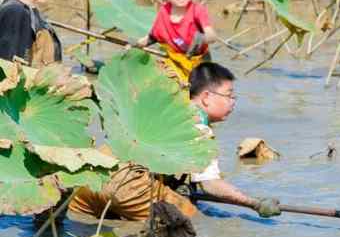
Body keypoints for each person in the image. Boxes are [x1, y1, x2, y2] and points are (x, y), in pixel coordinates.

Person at [69, 62, 281, 222]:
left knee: (78, 226)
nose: (233, 103)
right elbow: (210, 185)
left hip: (92, 176)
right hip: (129, 184)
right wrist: (254, 203)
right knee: (192, 222)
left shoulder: (164, 107)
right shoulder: (196, 127)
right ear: (206, 97)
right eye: (229, 95)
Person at [136, 0, 217, 82]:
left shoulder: (197, 11)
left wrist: (207, 37)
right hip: (175, 61)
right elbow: (154, 37)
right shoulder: (164, 12)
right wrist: (136, 45)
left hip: (198, 63)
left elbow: (210, 33)